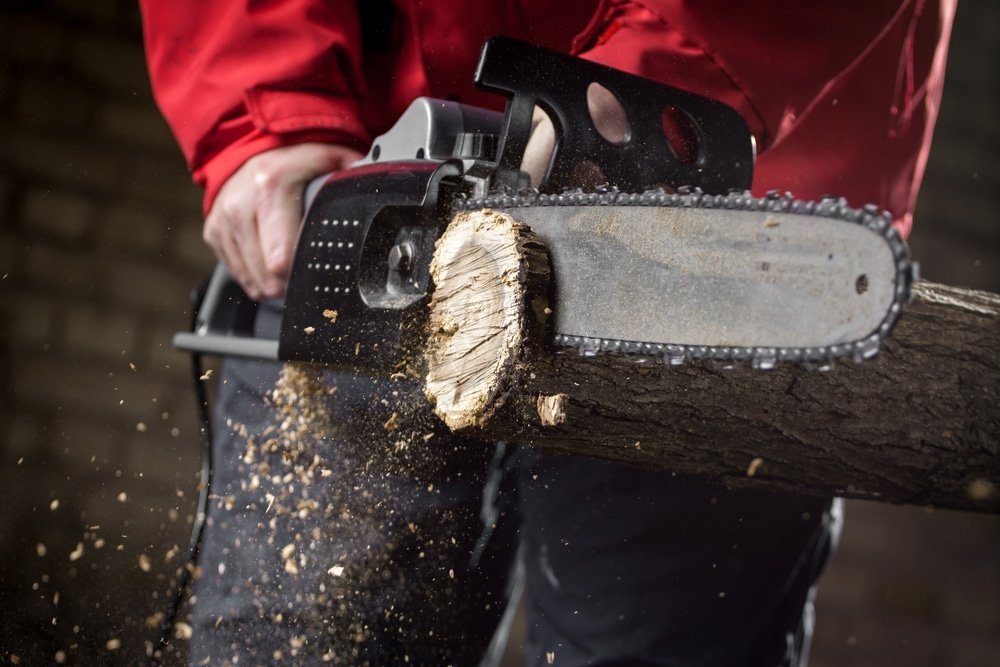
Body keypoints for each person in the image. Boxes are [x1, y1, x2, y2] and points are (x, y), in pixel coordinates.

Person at [140, 1, 955, 664]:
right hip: (378, 189)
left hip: (721, 220)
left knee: (658, 642)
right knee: (303, 636)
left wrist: (644, 88)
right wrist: (265, 107)